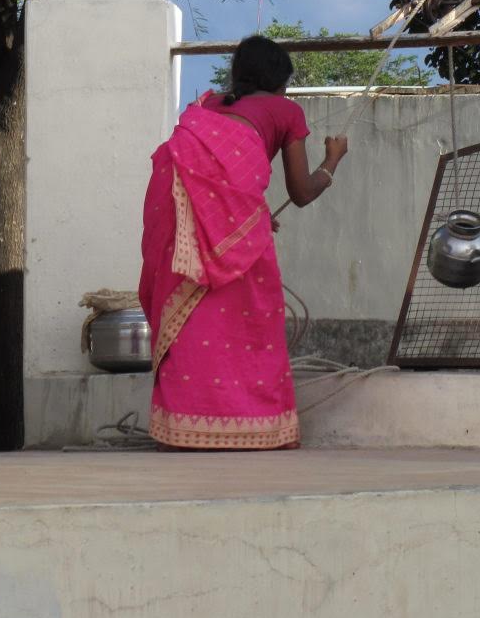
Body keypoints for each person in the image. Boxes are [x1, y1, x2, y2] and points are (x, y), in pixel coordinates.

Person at [138, 35, 348, 450]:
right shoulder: (287, 110)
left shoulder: (211, 106)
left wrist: (242, 210)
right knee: (252, 314)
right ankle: (255, 426)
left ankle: (184, 430)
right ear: (281, 81)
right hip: (217, 214)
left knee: (192, 312)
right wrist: (333, 159)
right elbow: (302, 191)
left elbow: (212, 174)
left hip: (175, 203)